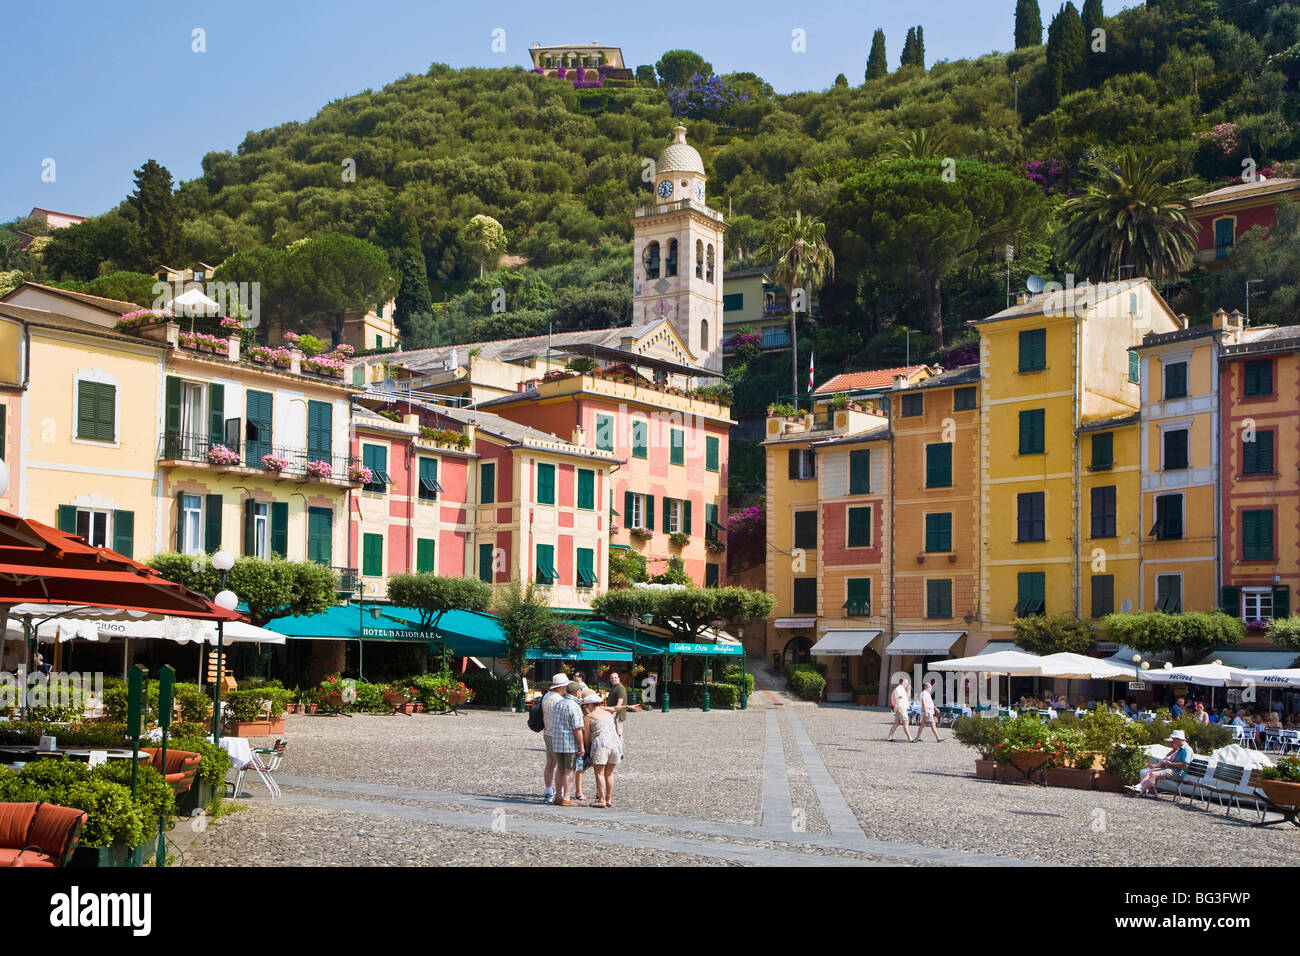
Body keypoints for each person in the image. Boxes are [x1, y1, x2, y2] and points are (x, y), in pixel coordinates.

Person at [580, 693, 640, 807]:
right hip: (615, 743)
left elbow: (587, 737)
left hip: (601, 745)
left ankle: (601, 800)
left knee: (599, 773)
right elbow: (614, 709)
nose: (585, 708)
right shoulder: (607, 713)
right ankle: (608, 799)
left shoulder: (589, 717)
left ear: (590, 705)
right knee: (609, 774)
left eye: (586, 705)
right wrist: (628, 706)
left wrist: (585, 747)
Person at [546, 682, 586, 806]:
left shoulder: (559, 703)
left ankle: (558, 795)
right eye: (580, 691)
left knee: (560, 769)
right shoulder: (574, 706)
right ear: (576, 692)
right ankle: (566, 797)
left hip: (557, 742)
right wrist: (582, 745)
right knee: (569, 771)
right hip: (569, 743)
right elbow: (577, 729)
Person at [1129, 730, 1193, 797]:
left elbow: (1185, 764)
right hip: (1172, 769)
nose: (1172, 741)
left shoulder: (1186, 750)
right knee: (1149, 771)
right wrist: (1167, 764)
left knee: (1153, 774)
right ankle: (1139, 787)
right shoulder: (1181, 748)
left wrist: (1169, 764)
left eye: (1174, 739)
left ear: (1178, 739)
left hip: (1178, 772)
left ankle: (1140, 791)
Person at [540, 673, 571, 804]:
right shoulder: (558, 700)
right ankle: (561, 793)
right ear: (562, 687)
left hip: (547, 732)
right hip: (557, 734)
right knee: (562, 766)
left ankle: (548, 791)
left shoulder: (546, 696)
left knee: (550, 764)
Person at [886, 677, 913, 742]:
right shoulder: (899, 689)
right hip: (901, 709)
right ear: (903, 682)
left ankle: (889, 736)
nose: (907, 684)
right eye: (906, 683)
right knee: (906, 723)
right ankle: (910, 738)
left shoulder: (901, 689)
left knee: (896, 723)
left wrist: (909, 690)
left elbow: (907, 697)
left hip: (899, 708)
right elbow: (899, 698)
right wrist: (900, 708)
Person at [605, 671, 629, 744]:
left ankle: (620, 752)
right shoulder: (613, 687)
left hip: (618, 714)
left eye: (615, 677)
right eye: (611, 678)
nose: (613, 679)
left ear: (618, 678)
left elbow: (620, 702)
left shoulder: (620, 688)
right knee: (614, 733)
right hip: (612, 713)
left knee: (619, 733)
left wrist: (614, 713)